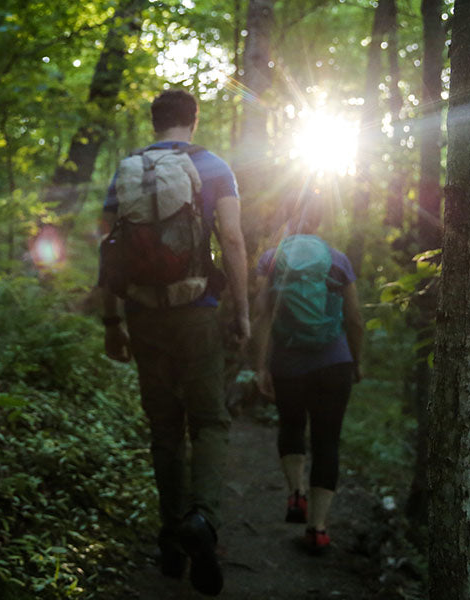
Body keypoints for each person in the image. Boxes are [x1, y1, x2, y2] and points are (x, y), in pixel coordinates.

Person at [99, 89, 249, 596]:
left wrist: (111, 323)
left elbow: (107, 252)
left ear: (154, 121)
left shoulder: (127, 169)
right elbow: (231, 239)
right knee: (209, 421)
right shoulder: (212, 167)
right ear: (194, 119)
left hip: (143, 315)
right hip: (198, 313)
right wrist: (243, 311)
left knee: (164, 427)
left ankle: (170, 540)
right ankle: (202, 520)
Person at [251, 194, 362, 554]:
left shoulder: (271, 260)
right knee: (328, 442)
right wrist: (356, 361)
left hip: (288, 362)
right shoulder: (337, 260)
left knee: (292, 426)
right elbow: (356, 320)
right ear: (318, 222)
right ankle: (318, 529)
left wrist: (260, 365)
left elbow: (262, 316)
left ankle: (296, 494)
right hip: (335, 362)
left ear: (287, 219)